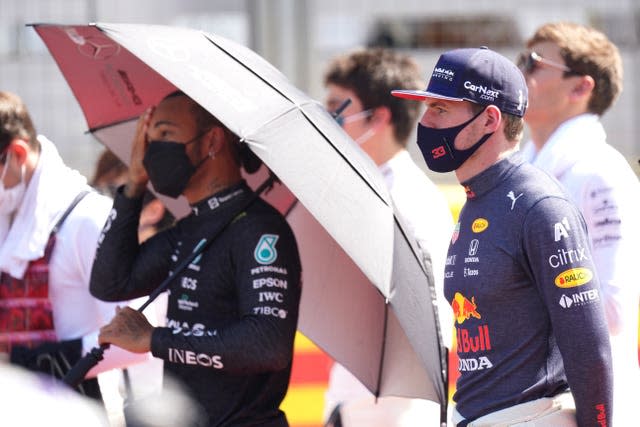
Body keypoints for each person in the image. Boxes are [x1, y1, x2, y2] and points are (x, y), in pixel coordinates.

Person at [392, 47, 613, 426]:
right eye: (427, 107)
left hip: (531, 416)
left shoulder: (539, 206)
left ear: (489, 119)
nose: (425, 122)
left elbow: (588, 346)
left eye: (441, 109)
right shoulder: (477, 200)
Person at [89, 90, 303, 426]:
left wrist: (154, 340)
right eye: (150, 137)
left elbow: (268, 344)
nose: (150, 150)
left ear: (212, 141)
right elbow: (110, 282)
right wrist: (133, 186)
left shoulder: (260, 230)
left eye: (165, 134)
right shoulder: (189, 229)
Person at [322, 48, 454, 426]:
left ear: (378, 117)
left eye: (336, 107)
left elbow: (428, 322)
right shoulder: (363, 188)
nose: (325, 118)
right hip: (354, 397)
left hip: (396, 408)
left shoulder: (411, 201)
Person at [518, 22, 640, 425]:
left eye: (533, 64)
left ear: (580, 88)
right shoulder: (524, 169)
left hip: (585, 406)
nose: (519, 73)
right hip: (531, 402)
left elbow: (614, 310)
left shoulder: (600, 172)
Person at [0, 91, 151, 401]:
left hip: (82, 406)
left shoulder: (88, 219)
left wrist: (25, 363)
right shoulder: (7, 222)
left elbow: (135, 341)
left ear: (16, 153)